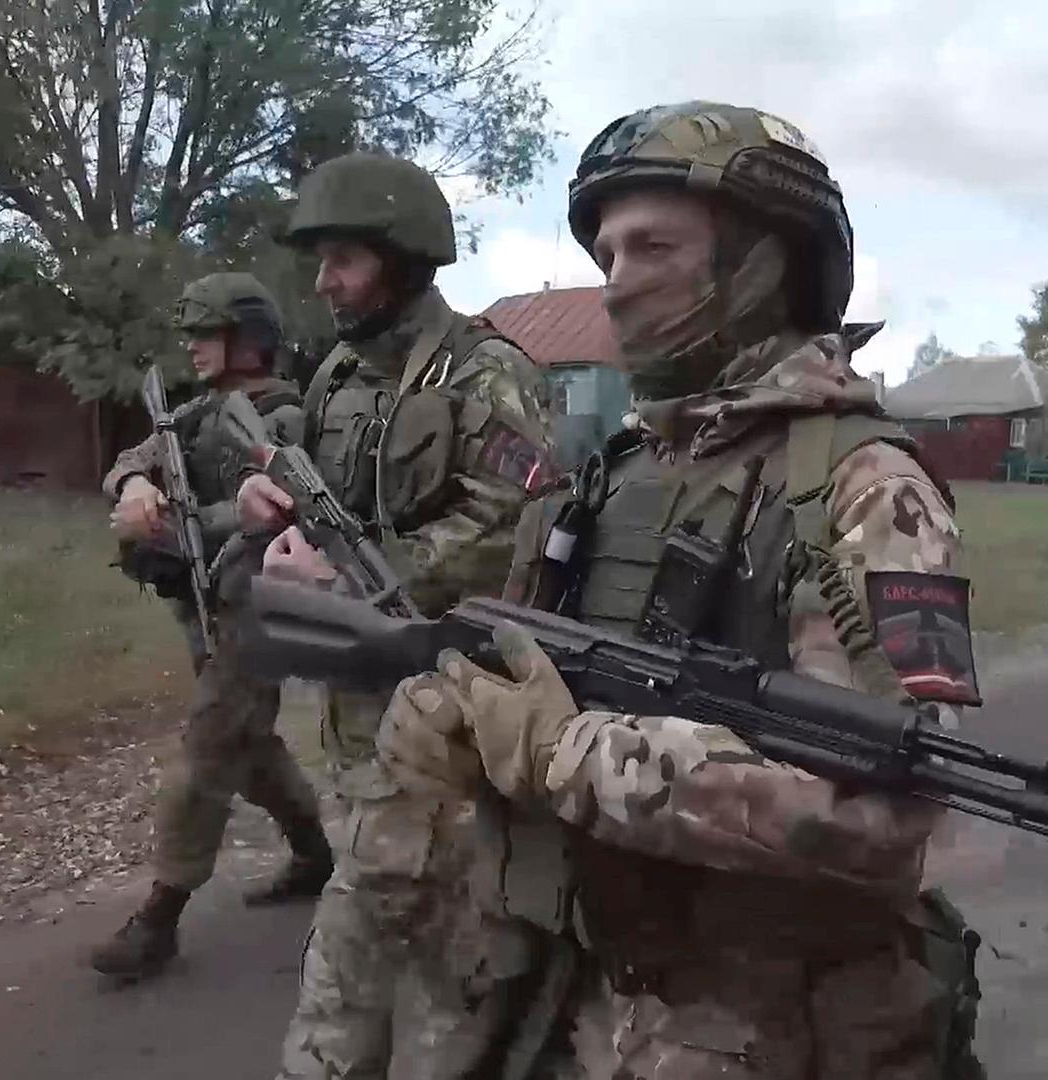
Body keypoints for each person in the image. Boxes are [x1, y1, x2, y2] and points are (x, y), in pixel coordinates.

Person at [373, 101, 990, 1078]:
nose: (615, 285)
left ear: (763, 263)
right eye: (606, 254)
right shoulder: (621, 469)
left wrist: (570, 754)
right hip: (590, 985)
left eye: (651, 247)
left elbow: (882, 813)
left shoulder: (863, 488)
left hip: (780, 1029)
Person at [234, 150, 561, 1078]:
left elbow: (515, 519)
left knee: (449, 975)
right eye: (322, 261)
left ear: (407, 257)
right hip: (352, 715)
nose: (325, 282)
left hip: (453, 721)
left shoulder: (487, 373)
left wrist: (379, 578)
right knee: (356, 947)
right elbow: (312, 489)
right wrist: (273, 512)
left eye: (345, 259)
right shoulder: (337, 375)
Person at [89, 272, 335, 980]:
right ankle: (316, 853)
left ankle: (159, 919)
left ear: (249, 338)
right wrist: (135, 488)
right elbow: (140, 458)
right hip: (203, 605)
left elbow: (287, 508)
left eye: (208, 332)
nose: (193, 346)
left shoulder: (281, 418)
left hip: (257, 609)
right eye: (191, 332)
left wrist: (190, 523)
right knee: (248, 745)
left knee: (207, 752)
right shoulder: (195, 412)